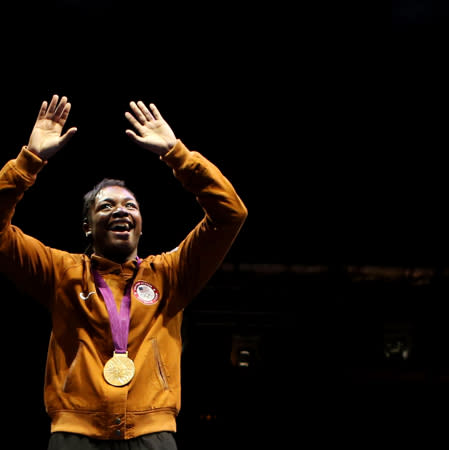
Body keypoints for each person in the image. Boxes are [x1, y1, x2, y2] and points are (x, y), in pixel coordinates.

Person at [0, 95, 247, 449]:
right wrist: (30, 160)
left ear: (141, 225)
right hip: (75, 434)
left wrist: (176, 154)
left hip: (152, 433)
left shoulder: (171, 273)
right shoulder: (59, 271)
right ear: (87, 226)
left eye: (130, 204)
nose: (120, 210)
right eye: (106, 206)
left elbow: (230, 214)